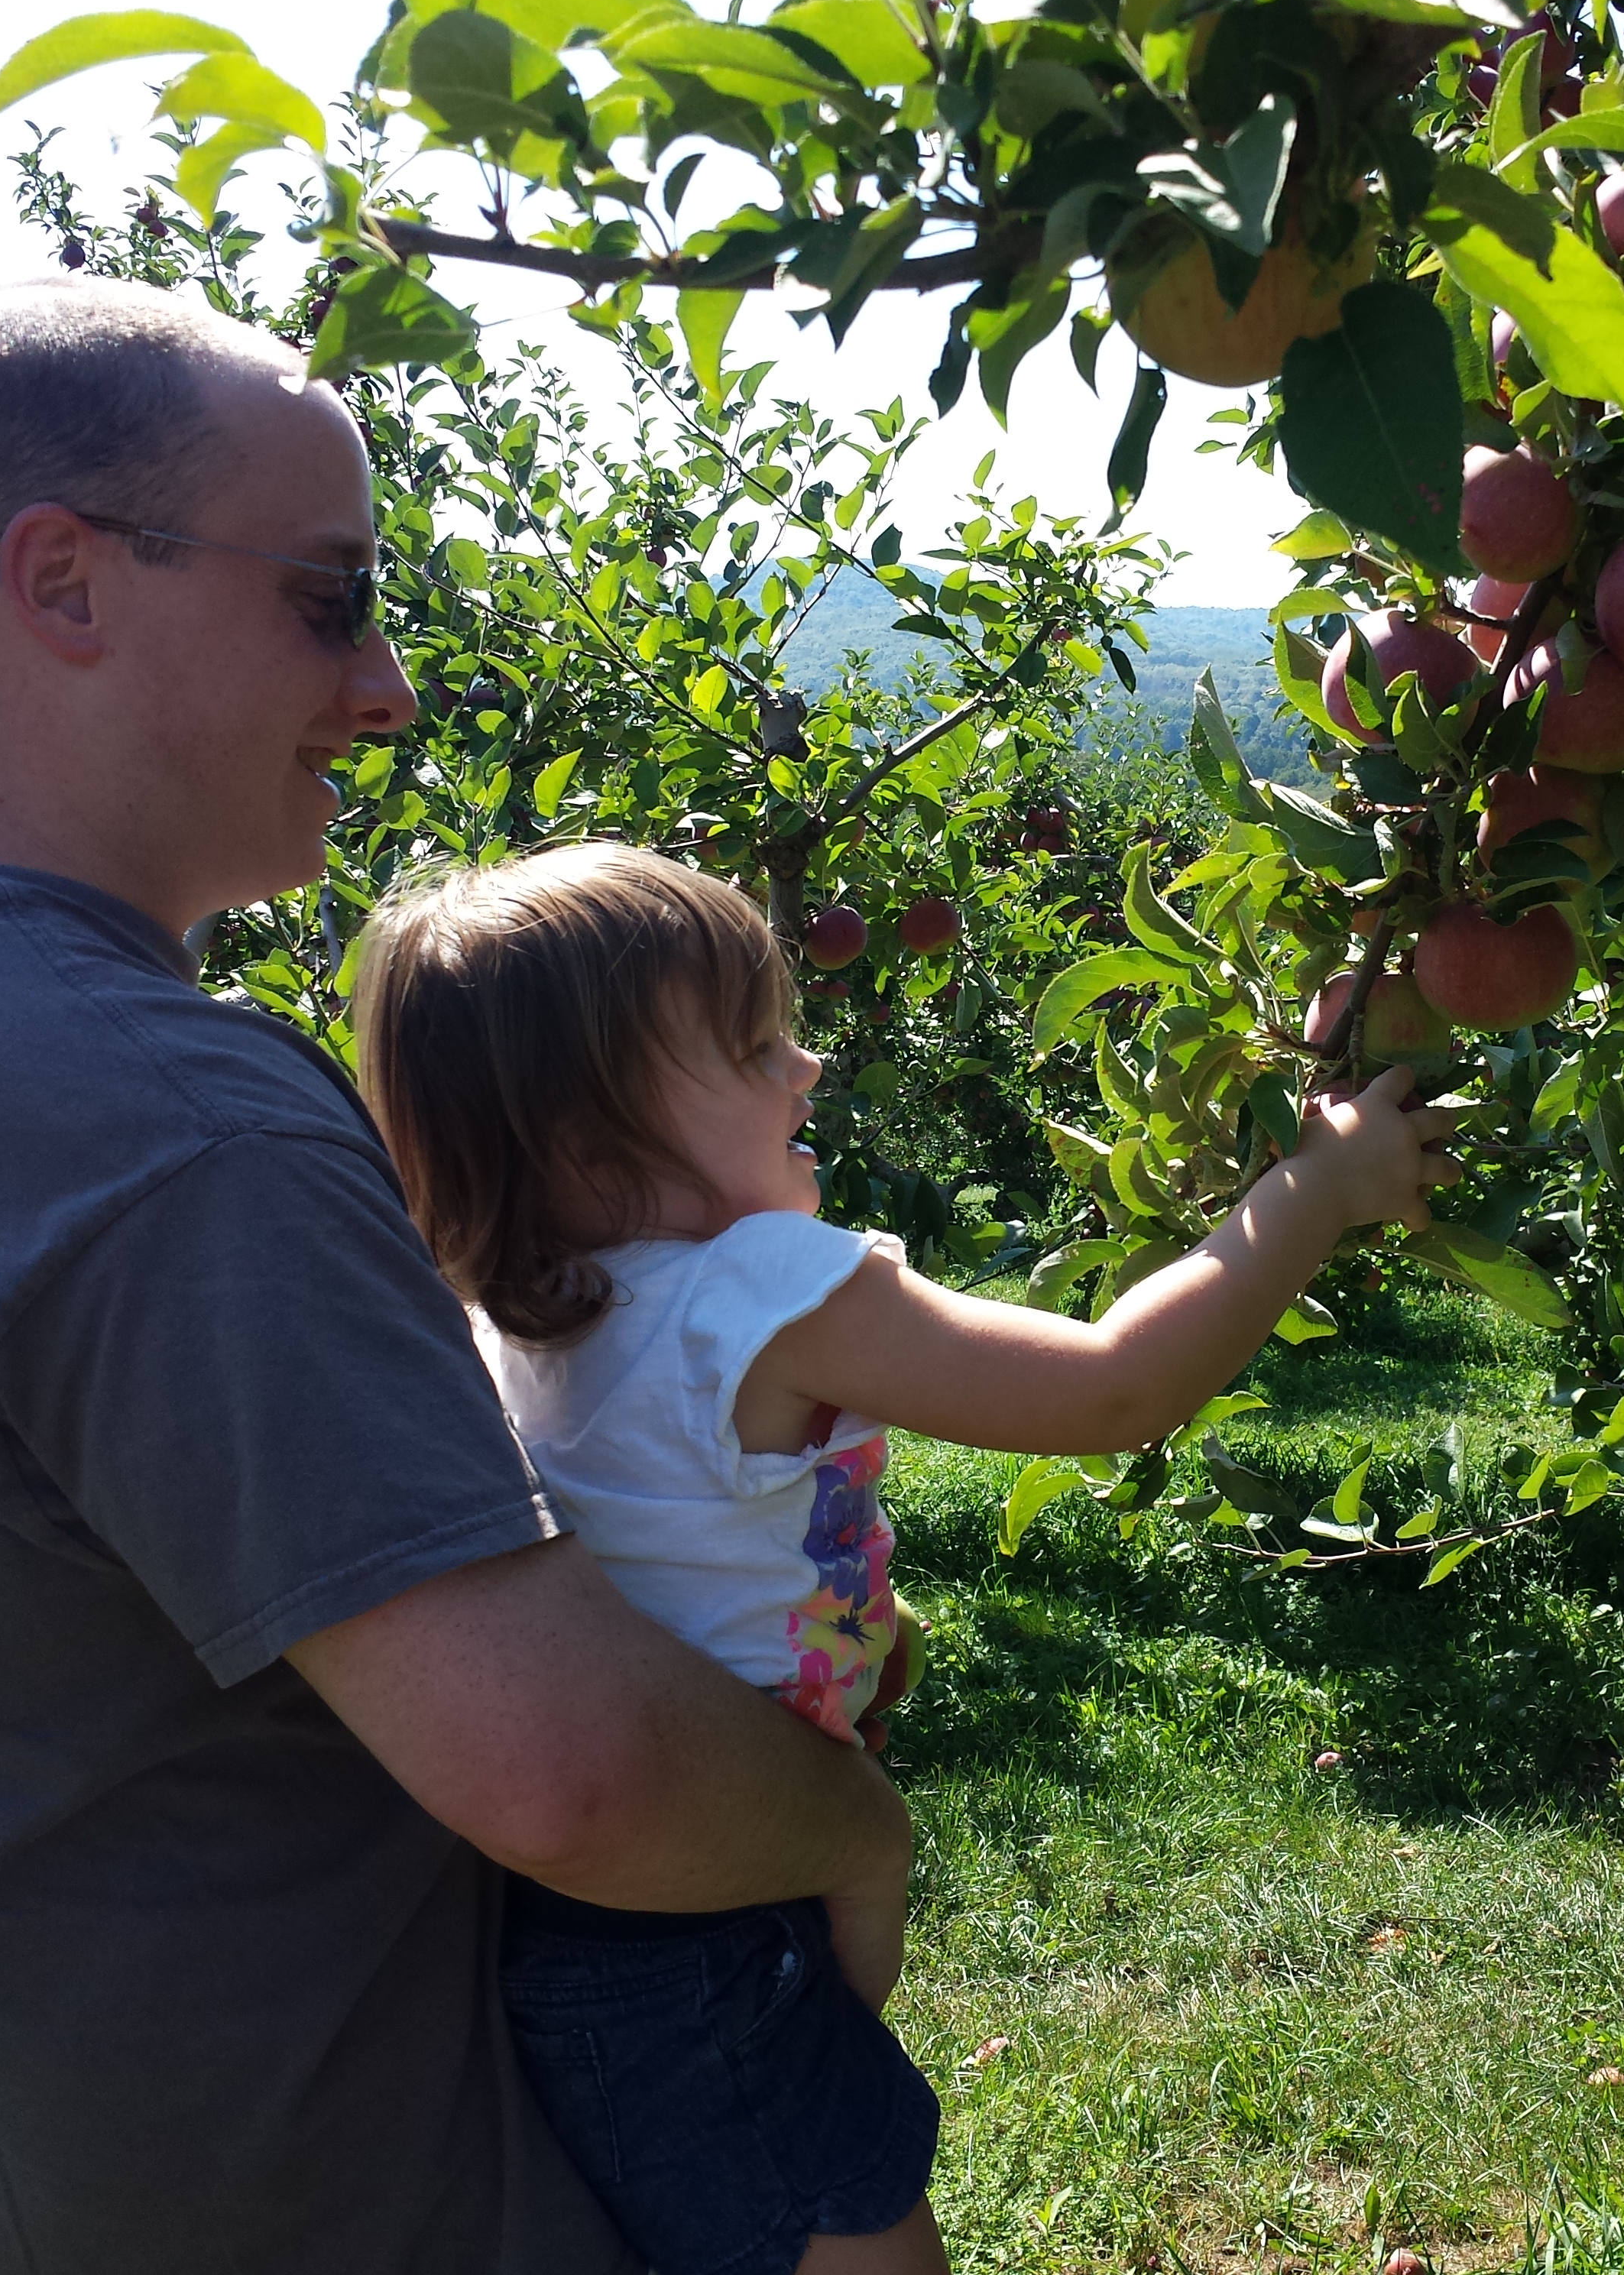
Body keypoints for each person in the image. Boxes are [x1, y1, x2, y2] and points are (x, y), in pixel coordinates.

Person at [0, 279, 916, 2275]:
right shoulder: (162, 1119)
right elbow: (571, 1773)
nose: (392, 687)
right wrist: (856, 1824)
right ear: (65, 584)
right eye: (329, 601)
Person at [348, 843, 1460, 2275]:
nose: (803, 1066)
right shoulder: (754, 1289)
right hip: (722, 1933)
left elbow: (679, 1547)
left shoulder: (520, 1331)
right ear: (589, 1143)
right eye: (753, 1049)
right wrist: (1316, 1191)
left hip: (599, 1931)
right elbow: (1110, 1387)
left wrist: (857, 1623)